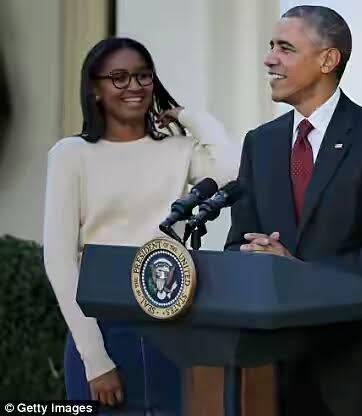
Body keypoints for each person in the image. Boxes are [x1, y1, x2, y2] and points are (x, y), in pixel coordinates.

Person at [225, 5, 362, 416]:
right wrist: (252, 258)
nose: (269, 59)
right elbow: (236, 248)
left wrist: (298, 269)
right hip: (273, 370)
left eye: (285, 48)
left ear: (328, 60)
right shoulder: (259, 143)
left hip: (358, 369)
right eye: (270, 47)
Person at [42, 37, 240, 411]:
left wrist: (185, 115)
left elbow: (231, 170)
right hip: (102, 325)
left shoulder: (177, 150)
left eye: (142, 76)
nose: (133, 86)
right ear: (95, 89)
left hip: (171, 321)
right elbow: (59, 259)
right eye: (118, 78)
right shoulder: (71, 155)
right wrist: (95, 359)